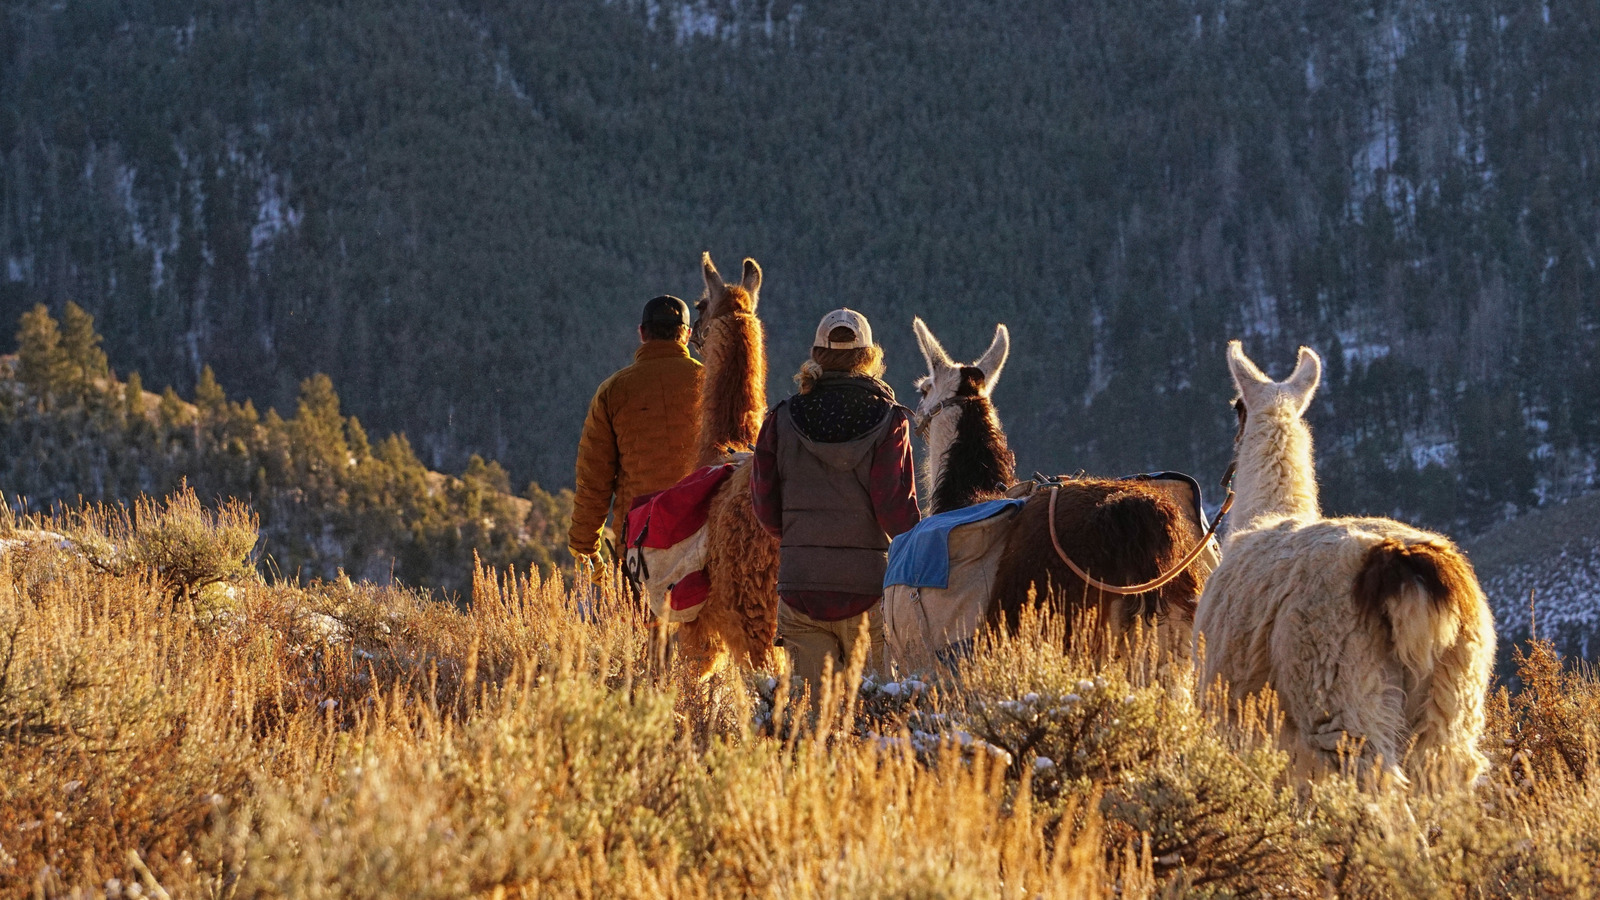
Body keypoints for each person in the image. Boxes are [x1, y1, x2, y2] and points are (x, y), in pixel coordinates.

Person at [751, 308, 920, 690]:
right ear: (869, 356)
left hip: (801, 590)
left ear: (817, 355)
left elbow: (765, 508)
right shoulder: (889, 420)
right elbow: (896, 514)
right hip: (867, 592)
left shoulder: (780, 419)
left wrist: (802, 538)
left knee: (813, 716)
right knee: (872, 713)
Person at [568, 295, 703, 567]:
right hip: (702, 539)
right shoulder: (711, 383)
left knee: (638, 598)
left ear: (642, 333)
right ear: (687, 335)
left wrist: (585, 547)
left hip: (639, 544)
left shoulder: (613, 391)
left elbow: (594, 479)